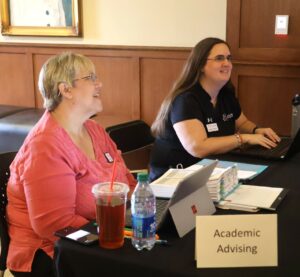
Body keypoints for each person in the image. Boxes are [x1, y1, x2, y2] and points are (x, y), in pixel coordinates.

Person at [6, 52, 136, 276]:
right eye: (91, 78)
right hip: (53, 252)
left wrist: (136, 213)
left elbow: (127, 181)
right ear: (65, 90)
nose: (99, 83)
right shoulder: (45, 146)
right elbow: (54, 225)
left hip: (102, 234)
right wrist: (115, 227)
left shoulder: (94, 129)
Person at [150, 37, 280, 181]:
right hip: (174, 180)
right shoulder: (185, 100)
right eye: (219, 58)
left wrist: (256, 130)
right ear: (200, 65)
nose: (227, 64)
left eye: (229, 58)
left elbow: (241, 123)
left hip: (212, 173)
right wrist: (243, 138)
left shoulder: (226, 92)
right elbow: (198, 147)